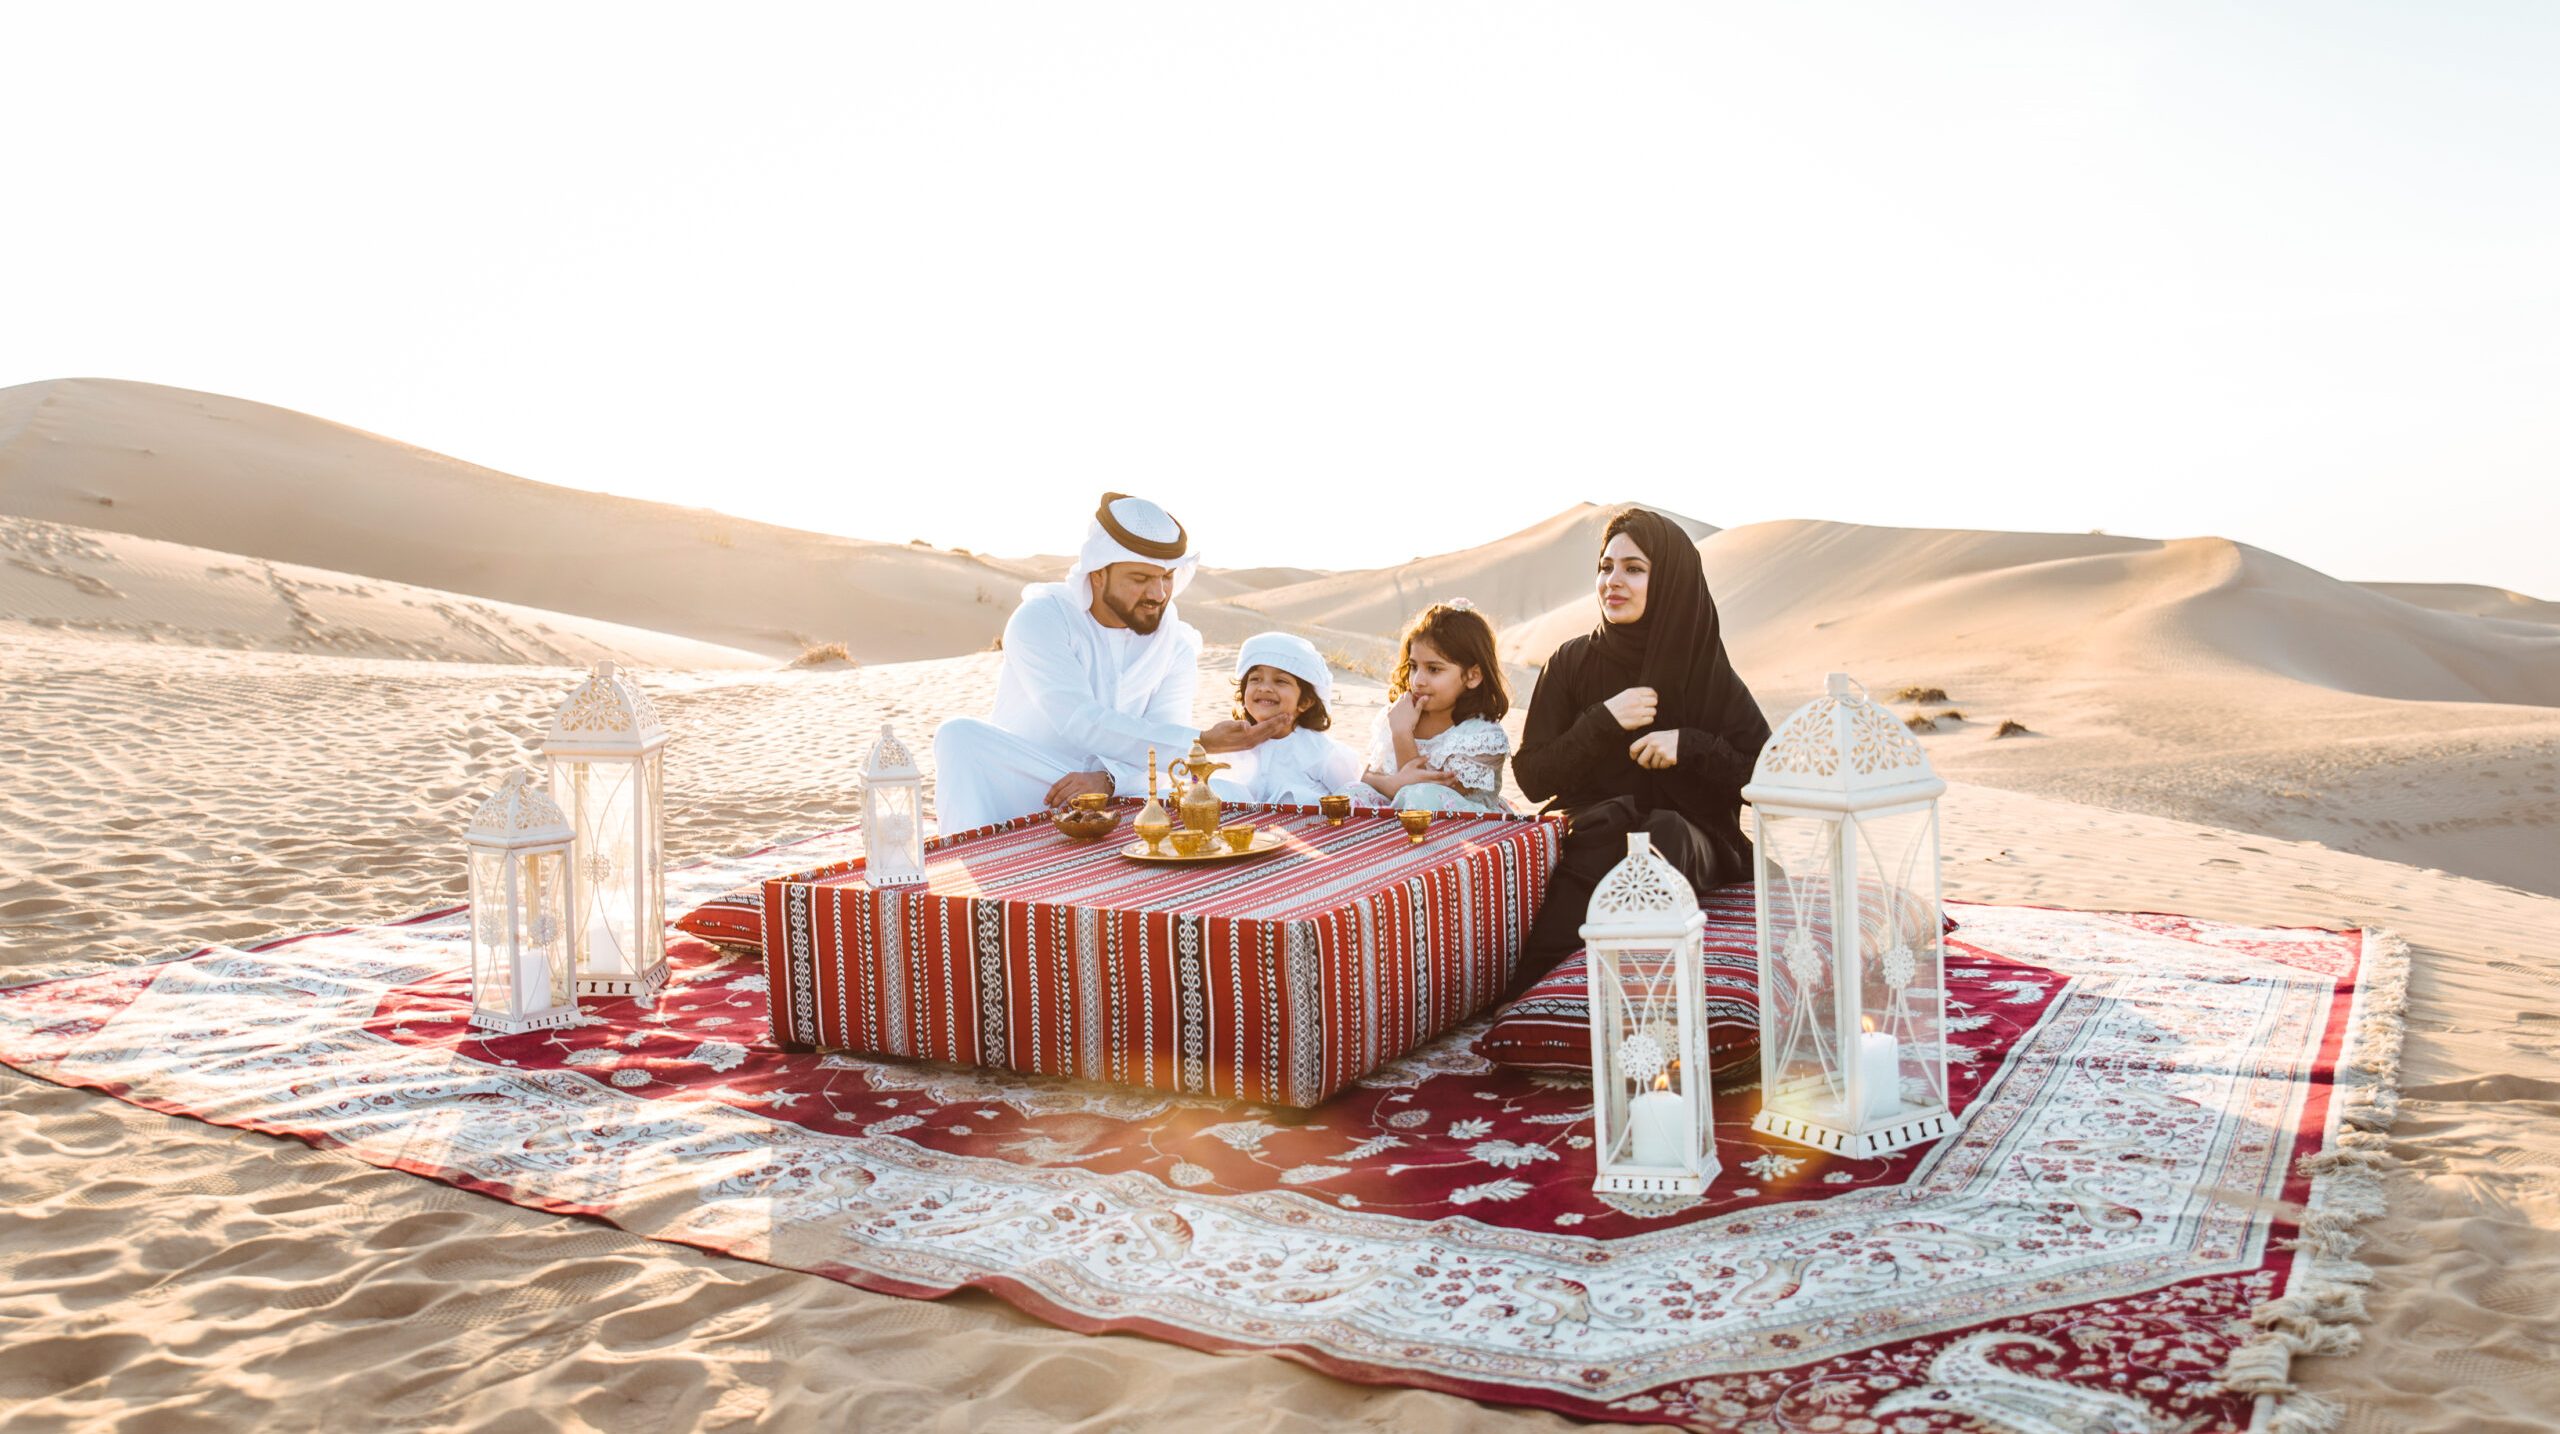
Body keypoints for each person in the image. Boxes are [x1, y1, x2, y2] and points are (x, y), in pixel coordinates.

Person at [932, 494, 1288, 832]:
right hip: (1036, 780)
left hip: (1121, 789)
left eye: (1166, 578)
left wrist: (1110, 779)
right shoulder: (1043, 619)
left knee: (1229, 792)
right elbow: (1079, 720)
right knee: (958, 736)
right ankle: (975, 864)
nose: (1158, 594)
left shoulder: (1176, 644)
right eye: (1140, 579)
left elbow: (1163, 748)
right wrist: (1203, 740)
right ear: (1098, 574)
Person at [1512, 507, 1771, 961]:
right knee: (1609, 838)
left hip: (1691, 841)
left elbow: (1767, 774)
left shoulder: (1708, 674)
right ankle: (1550, 986)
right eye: (1605, 567)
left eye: (1634, 569)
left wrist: (1688, 745)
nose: (1613, 580)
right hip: (1592, 831)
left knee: (1661, 831)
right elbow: (1533, 778)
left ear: (1672, 582)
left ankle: (1620, 973)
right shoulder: (1571, 663)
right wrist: (1602, 721)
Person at [1344, 600, 1514, 813]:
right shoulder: (1399, 715)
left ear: (1473, 676)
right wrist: (1393, 784)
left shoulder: (1481, 736)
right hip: (1399, 820)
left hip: (1458, 829)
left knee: (1419, 796)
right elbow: (1368, 776)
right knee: (1350, 792)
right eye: (1414, 667)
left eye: (1433, 669)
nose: (1417, 681)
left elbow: (1424, 799)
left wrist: (1403, 734)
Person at [1205, 633, 1365, 806]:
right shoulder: (1232, 744)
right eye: (1255, 679)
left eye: (1280, 681)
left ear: (1305, 702)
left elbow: (1357, 804)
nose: (1265, 687)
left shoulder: (1323, 753)